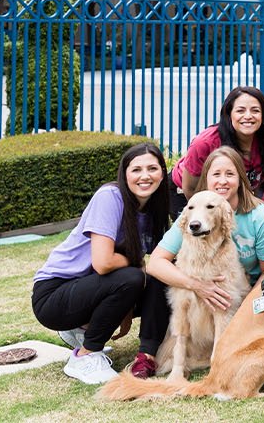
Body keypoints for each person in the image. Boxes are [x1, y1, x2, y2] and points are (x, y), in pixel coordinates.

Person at [32, 143, 174, 385]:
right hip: (54, 294)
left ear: (162, 172)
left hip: (94, 288)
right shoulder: (111, 196)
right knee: (134, 276)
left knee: (161, 278)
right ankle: (85, 356)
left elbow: (162, 258)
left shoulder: (154, 208)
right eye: (136, 169)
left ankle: (146, 354)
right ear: (124, 173)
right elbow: (103, 263)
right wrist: (136, 263)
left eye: (152, 168)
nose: (145, 176)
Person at [143, 147, 264, 379]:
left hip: (247, 293)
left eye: (229, 174)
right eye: (216, 174)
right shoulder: (193, 213)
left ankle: (226, 356)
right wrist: (196, 285)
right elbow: (156, 263)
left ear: (240, 178)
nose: (222, 181)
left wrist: (244, 309)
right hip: (204, 289)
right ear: (206, 179)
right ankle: (147, 354)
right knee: (162, 281)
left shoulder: (260, 216)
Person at [170, 87, 264, 207]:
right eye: (240, 111)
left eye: (255, 111)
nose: (248, 116)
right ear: (229, 113)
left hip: (228, 193)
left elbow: (256, 184)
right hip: (185, 194)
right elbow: (190, 188)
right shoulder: (205, 143)